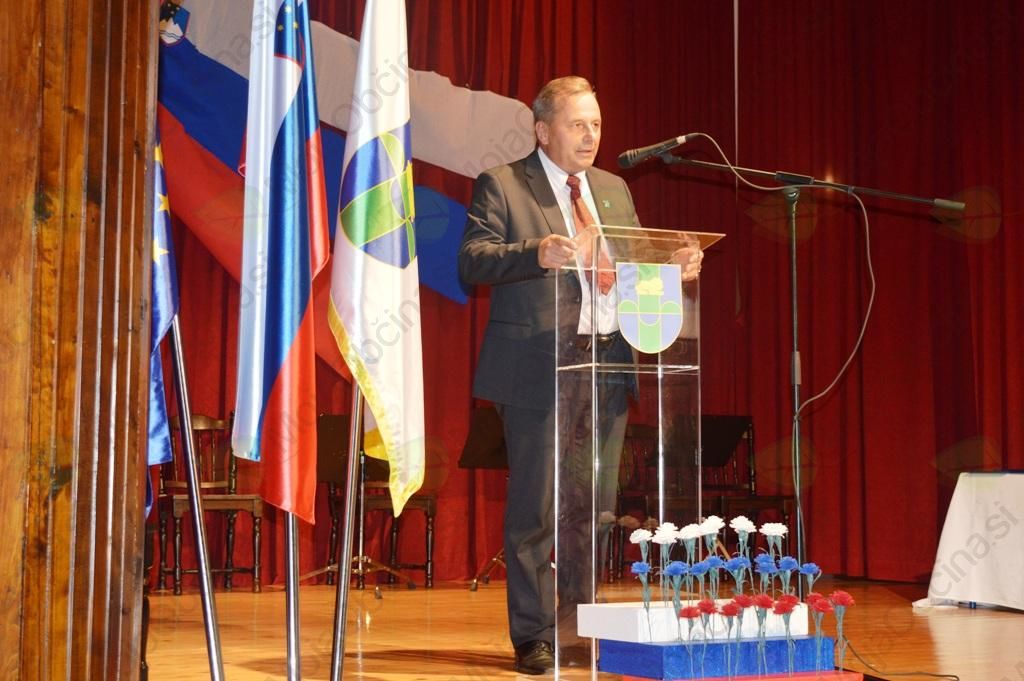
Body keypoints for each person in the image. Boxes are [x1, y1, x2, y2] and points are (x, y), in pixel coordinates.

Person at [458, 76, 703, 675]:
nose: (590, 135)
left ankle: (578, 627)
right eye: (577, 124)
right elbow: (471, 260)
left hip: (609, 365)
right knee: (536, 511)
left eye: (596, 124)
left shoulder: (614, 189)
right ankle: (534, 636)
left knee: (593, 510)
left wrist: (672, 267)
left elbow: (632, 266)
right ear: (543, 130)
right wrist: (535, 252)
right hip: (537, 368)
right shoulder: (504, 183)